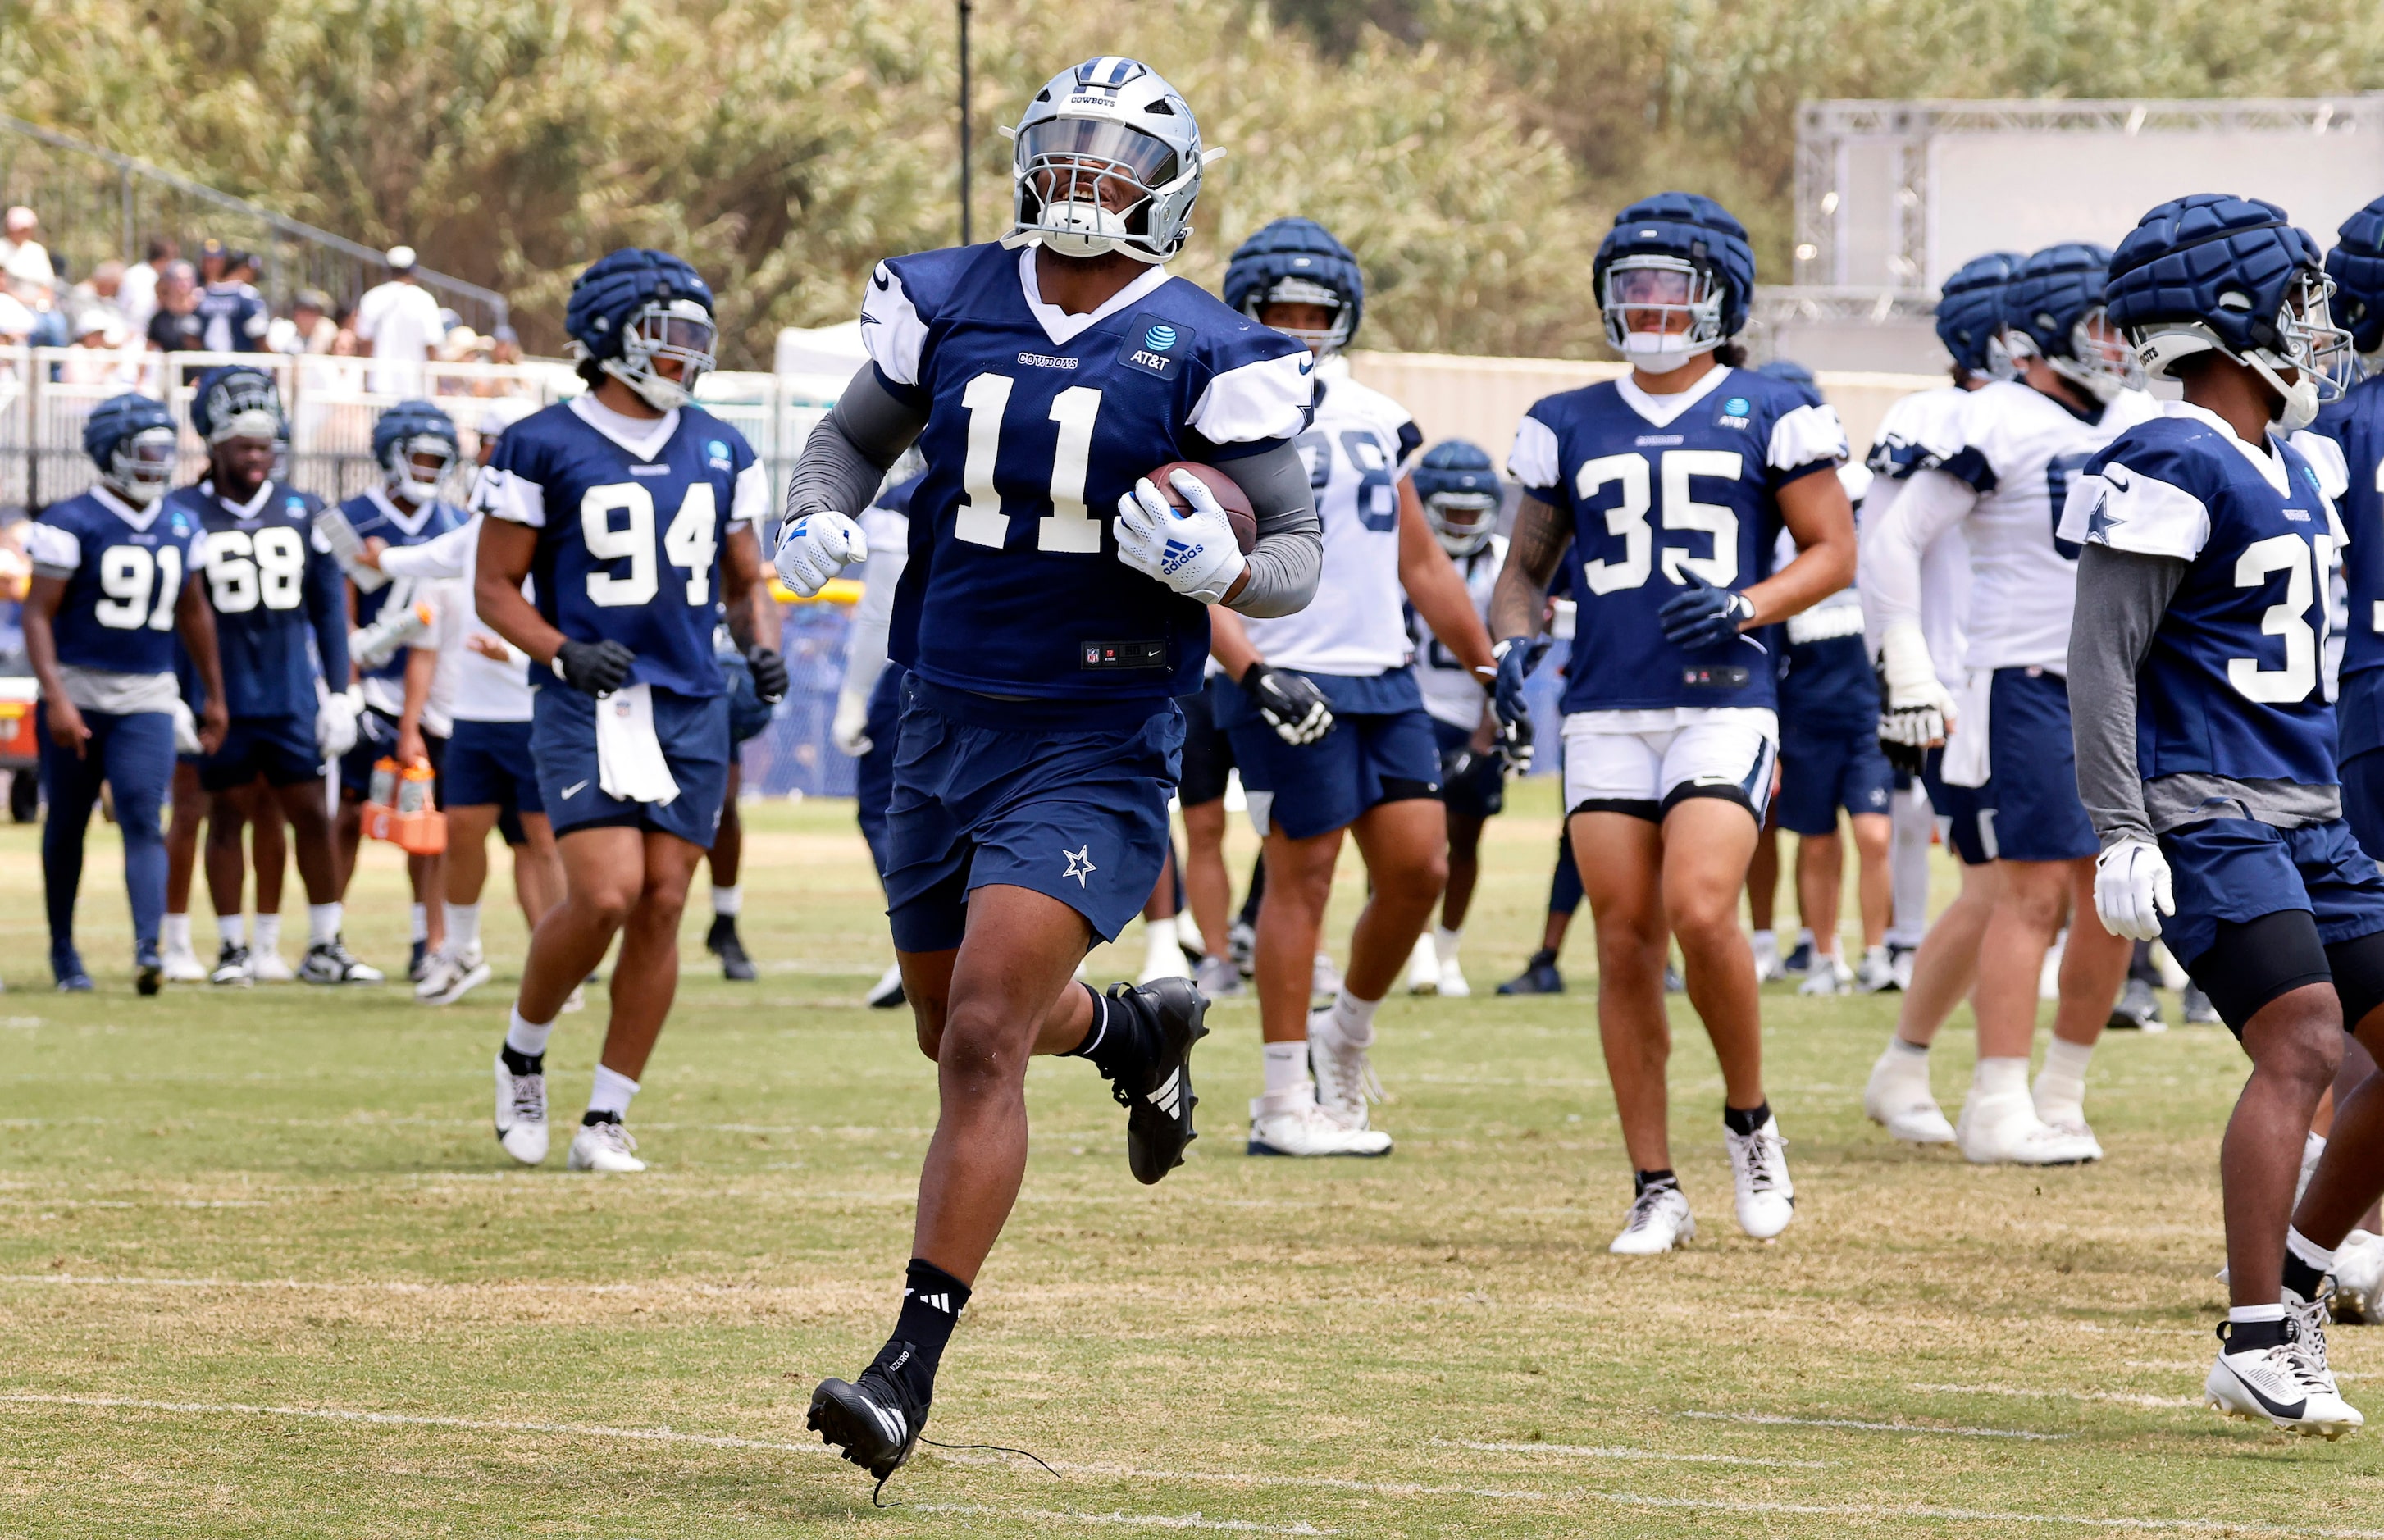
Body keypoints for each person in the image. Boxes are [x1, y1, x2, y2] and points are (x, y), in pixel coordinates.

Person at [772, 57, 1320, 1488]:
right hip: (938, 714)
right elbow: (846, 442)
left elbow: (1294, 556)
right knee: (953, 1024)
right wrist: (816, 518)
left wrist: (1230, 568)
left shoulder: (1210, 346)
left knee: (975, 1041)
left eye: (1116, 158)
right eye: (1064, 151)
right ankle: (1134, 1037)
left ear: (1170, 186)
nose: (1085, 180)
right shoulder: (946, 294)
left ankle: (906, 1364)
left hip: (1095, 728)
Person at [1488, 191, 1856, 1255]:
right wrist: (1508, 644)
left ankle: (1748, 1121)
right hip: (1605, 701)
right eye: (1629, 284)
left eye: (1668, 284)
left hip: (1723, 694)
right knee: (1620, 939)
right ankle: (1653, 1184)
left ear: (1718, 296)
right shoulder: (1565, 418)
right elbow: (1523, 570)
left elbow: (1830, 550)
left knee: (1701, 909)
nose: (1646, 304)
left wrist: (1746, 604)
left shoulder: (1769, 406)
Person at [2067, 190, 2368, 1435]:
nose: (2315, 322)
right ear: (2230, 311)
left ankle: (2295, 1279)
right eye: (2292, 297)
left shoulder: (2293, 457)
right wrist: (2117, 825)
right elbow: (2098, 654)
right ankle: (2252, 1339)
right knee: (2298, 1040)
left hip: (2306, 801)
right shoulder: (2167, 449)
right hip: (2205, 802)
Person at [472, 247, 787, 1176]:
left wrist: (760, 644)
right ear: (610, 337)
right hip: (589, 698)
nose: (688, 352)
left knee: (661, 902)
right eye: (669, 333)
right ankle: (524, 1051)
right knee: (603, 891)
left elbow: (744, 582)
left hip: (689, 697)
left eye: (698, 334)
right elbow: (494, 589)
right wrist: (562, 650)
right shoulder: (540, 442)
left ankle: (607, 1113)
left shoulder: (722, 444)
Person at [1862, 243, 2159, 1165]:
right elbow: (1893, 539)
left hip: (2117, 686)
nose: (2114, 345)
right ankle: (1996, 1097)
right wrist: (1906, 662)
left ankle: (2061, 1092)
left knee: (2122, 898)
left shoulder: (2135, 418)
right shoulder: (1997, 418)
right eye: (2097, 325)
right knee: (2022, 894)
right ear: (2037, 336)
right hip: (2021, 679)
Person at [1210, 217, 1500, 1160]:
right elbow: (1179, 568)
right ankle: (1281, 1099)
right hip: (1288, 671)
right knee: (1305, 876)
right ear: (1244, 311)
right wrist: (1250, 669)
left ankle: (1347, 1035)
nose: (1297, 326)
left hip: (1386, 675)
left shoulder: (1378, 414)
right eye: (1278, 310)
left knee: (1421, 867)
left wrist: (1492, 666)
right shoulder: (1209, 409)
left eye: (1315, 311)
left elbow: (1421, 562)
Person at [1858, 250, 2016, 1145]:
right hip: (1961, 682)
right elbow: (1885, 548)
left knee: (2040, 890)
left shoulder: (2063, 414)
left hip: (2045, 679)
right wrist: (1902, 670)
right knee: (1998, 884)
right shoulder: (1933, 417)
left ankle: (2002, 1078)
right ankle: (1914, 1064)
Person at [170, 365, 379, 986]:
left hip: (289, 690)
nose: (258, 457)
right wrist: (181, 694)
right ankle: (234, 949)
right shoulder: (183, 511)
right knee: (226, 813)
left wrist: (342, 691)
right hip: (221, 697)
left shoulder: (307, 509)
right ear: (214, 445)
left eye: (265, 445)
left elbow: (330, 609)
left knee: (312, 813)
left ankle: (324, 943)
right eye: (244, 446)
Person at [361, 409, 568, 1009]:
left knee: (542, 843)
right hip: (471, 718)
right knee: (462, 836)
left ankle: (559, 962)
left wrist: (515, 652)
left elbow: (571, 631)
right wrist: (383, 559)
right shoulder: (476, 532)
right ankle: (461, 951)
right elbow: (423, 559)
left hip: (534, 713)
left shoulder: (562, 538)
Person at [21, 395, 228, 991]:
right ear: (112, 454)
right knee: (67, 822)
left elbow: (194, 611)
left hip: (147, 693)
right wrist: (56, 696)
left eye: (166, 449)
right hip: (78, 685)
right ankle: (64, 951)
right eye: (147, 450)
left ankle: (148, 949)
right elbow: (38, 615)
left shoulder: (180, 521)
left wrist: (214, 693)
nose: (159, 463)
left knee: (143, 811)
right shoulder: (71, 521)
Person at [330, 401, 470, 980]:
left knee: (430, 823)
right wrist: (346, 686)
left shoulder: (458, 524)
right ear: (391, 456)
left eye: (441, 458)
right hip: (372, 686)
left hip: (435, 694)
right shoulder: (348, 520)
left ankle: (426, 939)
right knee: (344, 814)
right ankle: (327, 934)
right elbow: (335, 609)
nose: (431, 468)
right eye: (420, 456)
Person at [1402, 440, 1508, 1000]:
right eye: (1450, 513)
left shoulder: (1502, 562)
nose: (1463, 524)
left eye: (1472, 514)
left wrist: (1485, 738)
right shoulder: (1394, 553)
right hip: (1409, 711)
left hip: (1475, 714)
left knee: (1465, 839)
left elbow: (1512, 652)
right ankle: (1418, 947)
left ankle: (1446, 949)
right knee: (1408, 840)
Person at [831, 464, 923, 1009]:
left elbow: (880, 613)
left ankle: (923, 946)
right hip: (1033, 667)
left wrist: (852, 696)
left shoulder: (907, 500)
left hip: (924, 671)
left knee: (891, 810)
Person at [701, 604, 785, 980]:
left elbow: (754, 589)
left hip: (709, 680)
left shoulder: (737, 549)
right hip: (655, 669)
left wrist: (766, 653)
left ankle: (725, 921)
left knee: (723, 808)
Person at [356, 246, 448, 397]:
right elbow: (432, 346)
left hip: (379, 386)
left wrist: (365, 382)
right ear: (414, 270)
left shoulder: (372, 298)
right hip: (416, 389)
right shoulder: (424, 300)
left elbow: (365, 343)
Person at [194, 251, 270, 354]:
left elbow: (190, 337)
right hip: (241, 365)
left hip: (207, 365)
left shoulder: (202, 293)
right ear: (245, 271)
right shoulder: (247, 294)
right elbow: (259, 335)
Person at [120, 239, 175, 339]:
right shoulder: (147, 277)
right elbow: (141, 310)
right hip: (135, 336)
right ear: (163, 259)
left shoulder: (135, 272)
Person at [145, 262, 203, 355]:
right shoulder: (160, 320)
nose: (184, 284)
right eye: (178, 280)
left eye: (188, 280)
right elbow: (149, 349)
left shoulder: (204, 313)